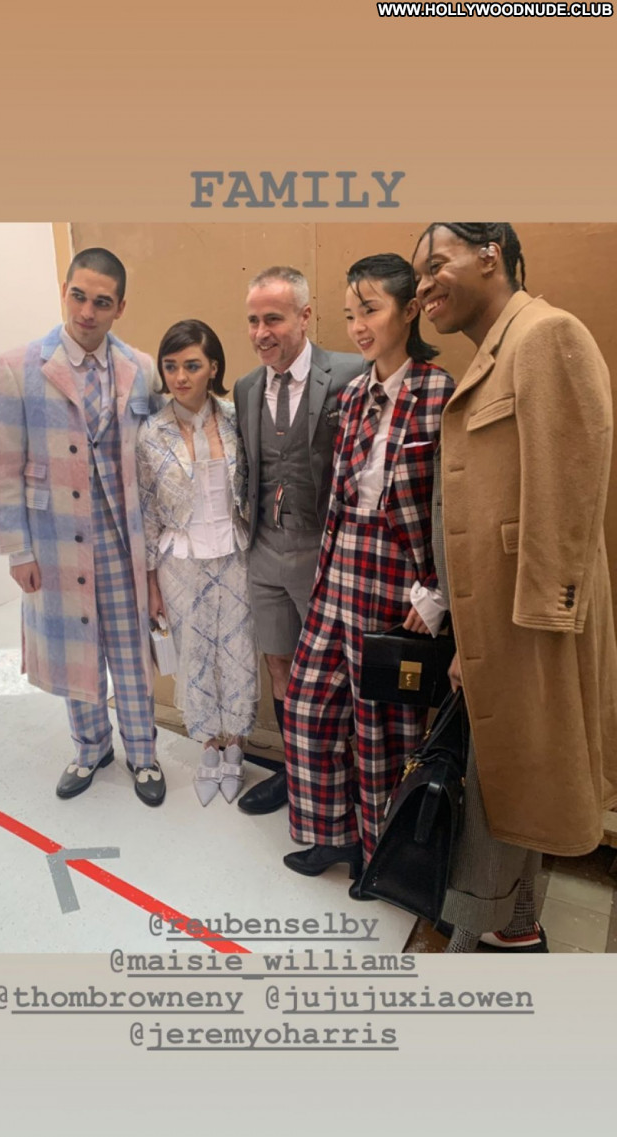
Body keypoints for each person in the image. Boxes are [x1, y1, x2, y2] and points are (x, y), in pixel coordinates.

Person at [412, 221, 617, 952]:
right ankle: (514, 925)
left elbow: (569, 491)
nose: (424, 286)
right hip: (495, 625)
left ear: (490, 253)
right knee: (508, 789)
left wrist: (533, 631)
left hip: (528, 630)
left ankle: (488, 937)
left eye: (437, 264)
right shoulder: (496, 353)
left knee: (505, 790)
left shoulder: (545, 335)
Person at [281, 253, 454, 893]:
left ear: (410, 311)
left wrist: (437, 593)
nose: (358, 326)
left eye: (371, 310)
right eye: (351, 313)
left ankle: (378, 858)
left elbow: (454, 506)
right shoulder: (353, 394)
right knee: (308, 708)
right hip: (340, 571)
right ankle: (335, 834)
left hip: (398, 582)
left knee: (383, 731)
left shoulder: (440, 393)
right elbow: (341, 495)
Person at [0, 248, 166, 806]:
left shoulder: (139, 367)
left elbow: (157, 455)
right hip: (56, 539)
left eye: (102, 302)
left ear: (120, 307)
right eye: (79, 296)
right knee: (76, 649)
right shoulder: (18, 366)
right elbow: (3, 465)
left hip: (122, 539)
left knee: (131, 653)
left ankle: (143, 753)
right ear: (65, 291)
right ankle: (90, 748)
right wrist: (17, 549)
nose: (87, 312)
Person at [233, 266, 361, 815]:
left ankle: (346, 784)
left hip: (323, 555)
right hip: (264, 552)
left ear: (305, 316)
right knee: (279, 666)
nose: (261, 333)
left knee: (335, 677)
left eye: (274, 319)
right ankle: (296, 775)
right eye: (253, 321)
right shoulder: (245, 388)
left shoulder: (351, 373)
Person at [136, 319, 259, 804]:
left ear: (213, 368)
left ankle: (237, 749)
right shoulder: (151, 433)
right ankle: (209, 748)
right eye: (170, 367)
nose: (180, 377)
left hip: (235, 556)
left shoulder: (236, 419)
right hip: (179, 563)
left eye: (191, 365)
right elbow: (147, 513)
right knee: (195, 655)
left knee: (238, 654)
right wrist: (150, 583)